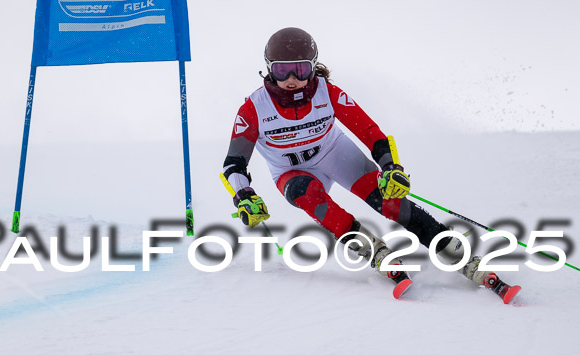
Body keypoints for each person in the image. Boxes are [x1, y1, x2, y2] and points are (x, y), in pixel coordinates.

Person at [221, 27, 520, 302]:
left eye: (300, 69)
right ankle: (376, 253)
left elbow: (370, 132)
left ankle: (460, 256)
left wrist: (391, 167)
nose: (292, 79)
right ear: (269, 69)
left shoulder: (328, 93)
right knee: (308, 194)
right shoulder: (254, 108)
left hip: (335, 153)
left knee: (391, 203)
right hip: (289, 170)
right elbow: (234, 164)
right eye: (282, 70)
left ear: (313, 67)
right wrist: (244, 195)